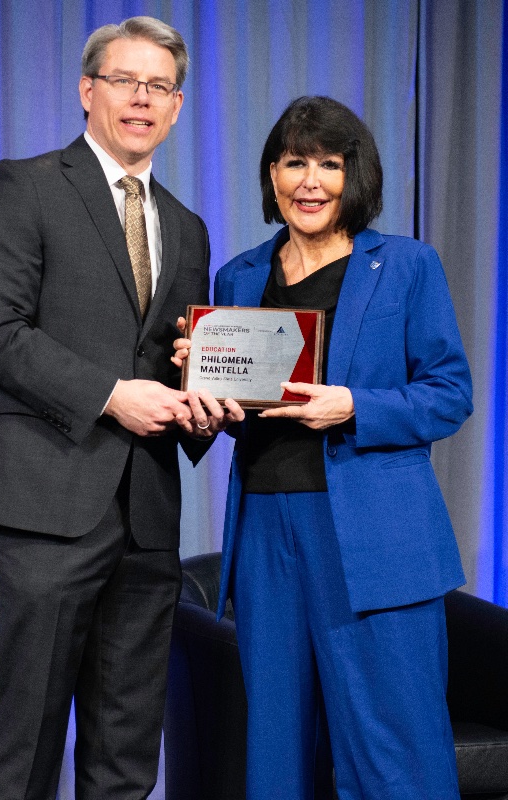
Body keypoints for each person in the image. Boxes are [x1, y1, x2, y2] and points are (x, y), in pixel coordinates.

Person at [0, 16, 240, 800]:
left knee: (125, 759)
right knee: (27, 752)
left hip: (147, 520)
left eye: (159, 86)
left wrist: (202, 407)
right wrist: (113, 396)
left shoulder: (187, 227)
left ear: (177, 106)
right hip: (45, 506)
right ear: (88, 91)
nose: (142, 99)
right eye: (125, 81)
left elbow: (180, 361)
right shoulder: (27, 185)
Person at [173, 96, 473, 799]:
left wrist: (354, 406)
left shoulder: (405, 266)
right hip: (266, 537)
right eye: (294, 161)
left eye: (328, 164)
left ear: (354, 175)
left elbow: (449, 393)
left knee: (394, 752)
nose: (310, 180)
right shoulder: (240, 277)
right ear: (272, 174)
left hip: (375, 540)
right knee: (274, 753)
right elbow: (242, 409)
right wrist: (200, 388)